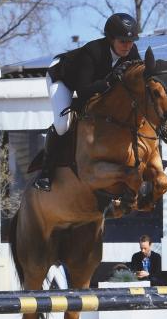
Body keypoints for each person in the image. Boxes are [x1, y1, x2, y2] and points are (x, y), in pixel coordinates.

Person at [34, 12, 142, 191]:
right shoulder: (92, 52)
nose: (128, 46)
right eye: (123, 41)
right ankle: (45, 173)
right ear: (111, 39)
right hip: (63, 77)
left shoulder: (133, 52)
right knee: (63, 124)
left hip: (93, 84)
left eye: (130, 41)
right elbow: (83, 91)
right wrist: (108, 82)